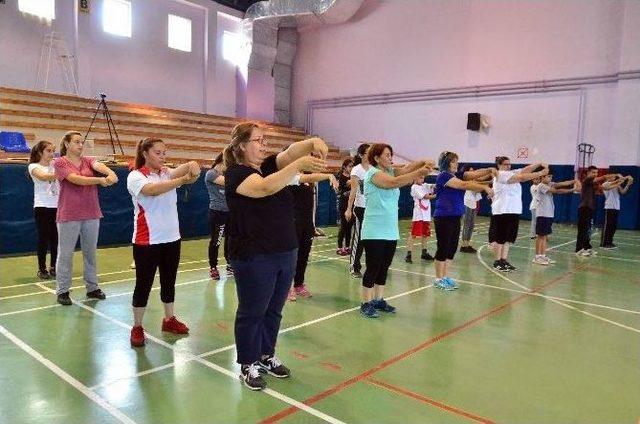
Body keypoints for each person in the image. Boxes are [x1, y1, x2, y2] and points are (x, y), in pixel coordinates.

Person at [223, 122, 327, 390]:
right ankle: (248, 363)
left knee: (274, 310)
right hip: (254, 254)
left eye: (265, 140)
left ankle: (265, 354)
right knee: (252, 311)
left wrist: (313, 142)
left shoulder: (268, 165)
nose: (263, 144)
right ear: (242, 145)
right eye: (258, 140)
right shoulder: (236, 173)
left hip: (284, 250)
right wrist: (298, 165)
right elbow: (264, 188)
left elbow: (291, 152)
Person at [127, 138, 200, 347]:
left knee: (169, 282)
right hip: (146, 242)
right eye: (158, 153)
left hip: (172, 239)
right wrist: (182, 180)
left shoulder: (166, 172)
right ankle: (137, 326)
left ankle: (169, 320)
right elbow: (152, 190)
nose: (162, 157)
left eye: (164, 153)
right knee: (143, 285)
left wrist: (192, 166)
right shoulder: (135, 177)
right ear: (145, 154)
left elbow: (187, 170)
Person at [359, 143, 433, 318]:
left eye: (391, 154)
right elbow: (394, 183)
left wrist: (423, 161)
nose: (390, 158)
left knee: (384, 267)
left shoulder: (391, 170)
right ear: (376, 158)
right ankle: (365, 303)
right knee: (373, 266)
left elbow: (407, 168)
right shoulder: (373, 174)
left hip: (390, 230)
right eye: (386, 155)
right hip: (374, 230)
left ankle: (379, 299)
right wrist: (420, 172)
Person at [54, 131, 118, 306]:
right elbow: (76, 180)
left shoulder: (89, 161)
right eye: (76, 142)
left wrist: (110, 174)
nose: (81, 145)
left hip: (92, 213)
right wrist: (100, 181)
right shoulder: (60, 162)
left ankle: (92, 287)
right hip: (69, 214)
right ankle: (63, 290)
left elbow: (102, 168)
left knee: (90, 253)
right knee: (65, 254)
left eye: (82, 142)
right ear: (66, 144)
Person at [433, 152, 494, 290]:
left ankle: (445, 277)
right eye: (454, 161)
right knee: (443, 248)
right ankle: (438, 279)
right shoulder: (443, 176)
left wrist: (490, 169)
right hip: (443, 217)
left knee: (452, 248)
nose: (457, 164)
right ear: (447, 163)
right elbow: (464, 185)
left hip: (455, 216)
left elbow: (473, 175)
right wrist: (484, 187)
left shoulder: (457, 175)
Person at [491, 157, 549, 272]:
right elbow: (522, 177)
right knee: (500, 238)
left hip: (513, 210)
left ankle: (504, 260)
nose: (508, 166)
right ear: (499, 165)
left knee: (508, 238)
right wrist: (541, 172)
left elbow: (525, 170)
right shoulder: (500, 174)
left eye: (509, 164)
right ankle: (497, 261)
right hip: (503, 211)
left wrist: (538, 163)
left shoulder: (510, 172)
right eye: (505, 164)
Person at [288, 171, 338, 301]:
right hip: (292, 224)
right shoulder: (290, 176)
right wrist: (329, 175)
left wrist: (312, 226)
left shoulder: (309, 182)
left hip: (307, 225)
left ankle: (299, 284)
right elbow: (305, 177)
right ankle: (287, 288)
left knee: (303, 257)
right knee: (291, 258)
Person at [28, 140, 60, 280]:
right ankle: (42, 269)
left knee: (56, 239)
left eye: (53, 151)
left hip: (57, 206)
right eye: (48, 151)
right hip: (42, 206)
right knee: (43, 238)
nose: (52, 154)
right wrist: (63, 173)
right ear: (40, 152)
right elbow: (43, 176)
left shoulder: (55, 164)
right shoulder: (33, 166)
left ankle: (54, 267)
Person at [532, 174, 578, 265]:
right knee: (540, 236)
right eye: (548, 177)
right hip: (542, 214)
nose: (550, 178)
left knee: (544, 236)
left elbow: (561, 184)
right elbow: (557, 191)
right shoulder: (541, 186)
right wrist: (573, 189)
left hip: (548, 214)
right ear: (542, 178)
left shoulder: (549, 184)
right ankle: (537, 257)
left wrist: (574, 181)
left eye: (551, 177)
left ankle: (543, 256)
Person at [575, 166, 617, 256]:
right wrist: (606, 176)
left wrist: (619, 181)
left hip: (590, 209)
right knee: (583, 230)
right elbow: (599, 179)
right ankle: (579, 249)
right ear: (588, 173)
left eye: (596, 172)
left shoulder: (594, 183)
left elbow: (604, 188)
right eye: (593, 172)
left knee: (589, 230)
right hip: (584, 209)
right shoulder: (586, 180)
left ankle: (587, 247)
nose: (595, 174)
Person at [205, 153, 232, 280]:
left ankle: (230, 264)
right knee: (217, 241)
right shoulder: (211, 174)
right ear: (222, 162)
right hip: (217, 213)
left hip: (229, 213)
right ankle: (213, 267)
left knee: (230, 240)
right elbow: (230, 183)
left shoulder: (226, 174)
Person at [345, 143, 370, 277]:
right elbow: (353, 190)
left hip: (372, 208)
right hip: (360, 207)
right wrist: (349, 209)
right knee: (359, 238)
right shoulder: (357, 170)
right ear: (361, 155)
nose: (371, 154)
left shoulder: (374, 169)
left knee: (371, 238)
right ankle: (354, 267)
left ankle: (372, 265)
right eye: (368, 152)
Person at [460, 166, 490, 253]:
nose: (472, 173)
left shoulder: (475, 180)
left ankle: (468, 244)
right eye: (470, 171)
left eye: (473, 171)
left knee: (471, 225)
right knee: (466, 225)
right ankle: (463, 245)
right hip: (467, 203)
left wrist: (490, 175)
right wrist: (485, 185)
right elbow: (479, 184)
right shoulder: (465, 181)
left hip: (473, 203)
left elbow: (481, 180)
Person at [405, 176, 435, 263]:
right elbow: (425, 196)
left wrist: (436, 185)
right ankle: (408, 255)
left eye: (423, 178)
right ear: (415, 178)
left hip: (426, 214)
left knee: (425, 234)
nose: (422, 179)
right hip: (419, 215)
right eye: (420, 178)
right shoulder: (414, 187)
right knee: (414, 234)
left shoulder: (424, 185)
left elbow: (433, 186)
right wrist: (438, 195)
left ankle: (424, 253)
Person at [600, 174, 634, 249]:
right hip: (609, 207)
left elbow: (623, 192)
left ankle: (609, 242)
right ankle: (603, 244)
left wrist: (628, 184)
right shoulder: (605, 184)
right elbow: (611, 186)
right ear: (608, 177)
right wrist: (624, 178)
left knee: (613, 226)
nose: (613, 177)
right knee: (607, 226)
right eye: (612, 176)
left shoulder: (617, 185)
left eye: (614, 177)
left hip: (616, 207)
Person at [335, 158, 354, 256]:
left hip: (351, 204)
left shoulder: (352, 176)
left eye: (352, 166)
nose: (351, 168)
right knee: (343, 226)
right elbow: (349, 184)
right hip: (343, 203)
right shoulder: (341, 176)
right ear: (344, 167)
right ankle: (339, 247)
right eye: (350, 166)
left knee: (349, 226)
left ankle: (347, 246)